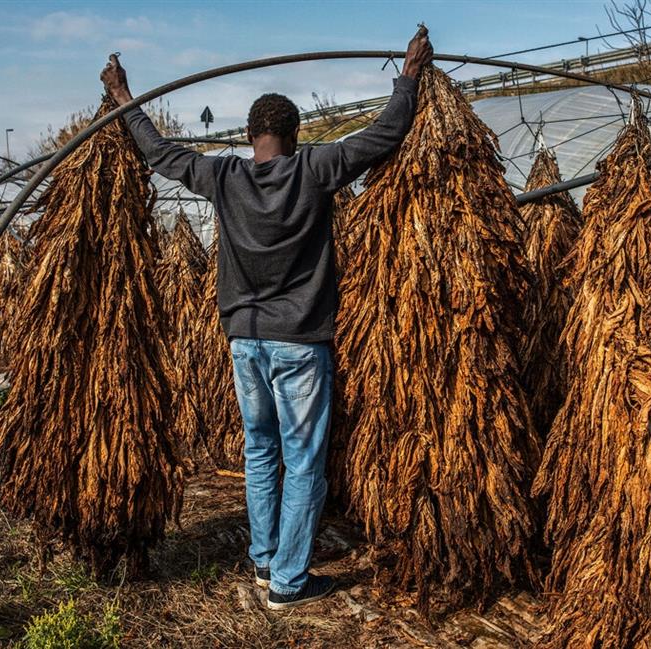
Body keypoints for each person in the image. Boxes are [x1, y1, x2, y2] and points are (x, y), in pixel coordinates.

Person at [101, 26, 433, 610]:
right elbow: (384, 134)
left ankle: (262, 560)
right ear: (294, 134)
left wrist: (125, 95)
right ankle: (288, 581)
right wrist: (408, 75)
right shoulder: (316, 169)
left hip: (245, 342)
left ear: (253, 135)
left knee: (261, 450)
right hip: (301, 343)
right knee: (303, 459)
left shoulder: (224, 176)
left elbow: (159, 153)